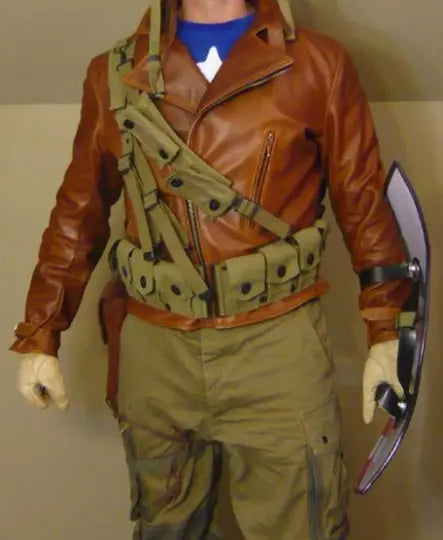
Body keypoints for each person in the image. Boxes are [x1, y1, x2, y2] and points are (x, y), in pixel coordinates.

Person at [10, 1, 410, 538]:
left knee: (301, 525)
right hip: (156, 350)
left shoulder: (317, 64)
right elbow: (78, 212)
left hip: (275, 346)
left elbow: (362, 202)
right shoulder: (114, 74)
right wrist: (40, 334)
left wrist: (387, 332)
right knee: (165, 526)